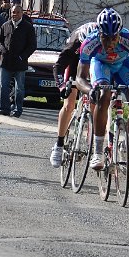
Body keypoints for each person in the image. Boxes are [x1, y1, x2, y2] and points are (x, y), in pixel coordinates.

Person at [76, 8, 129, 170]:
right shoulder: (90, 43)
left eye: (114, 38)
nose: (110, 43)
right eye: (105, 38)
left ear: (120, 34)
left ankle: (125, 147)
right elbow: (80, 78)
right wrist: (90, 90)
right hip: (100, 64)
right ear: (98, 33)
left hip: (122, 65)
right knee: (103, 95)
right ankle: (98, 152)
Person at [49, 21, 96, 167]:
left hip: (95, 64)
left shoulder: (102, 41)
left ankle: (94, 142)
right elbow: (58, 66)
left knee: (96, 103)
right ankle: (59, 144)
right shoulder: (74, 43)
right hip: (75, 64)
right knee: (69, 105)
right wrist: (62, 86)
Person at [0, 4, 37, 118]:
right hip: (6, 61)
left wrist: (22, 56)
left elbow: (32, 45)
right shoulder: (5, 25)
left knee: (19, 88)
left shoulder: (28, 27)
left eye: (17, 12)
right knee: (4, 86)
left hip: (20, 62)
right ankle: (4, 108)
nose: (15, 14)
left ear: (21, 13)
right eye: (13, 12)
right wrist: (2, 50)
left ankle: (18, 109)